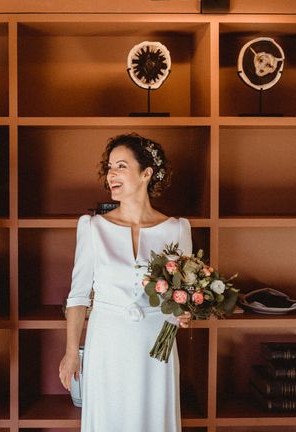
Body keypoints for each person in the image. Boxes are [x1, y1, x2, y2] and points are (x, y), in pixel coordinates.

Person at [58, 132, 192, 432]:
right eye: (108, 167)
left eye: (120, 166)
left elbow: (181, 296)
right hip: (107, 344)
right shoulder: (93, 227)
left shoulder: (177, 229)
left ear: (147, 173)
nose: (111, 174)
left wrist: (183, 315)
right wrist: (70, 353)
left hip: (157, 345)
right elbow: (78, 296)